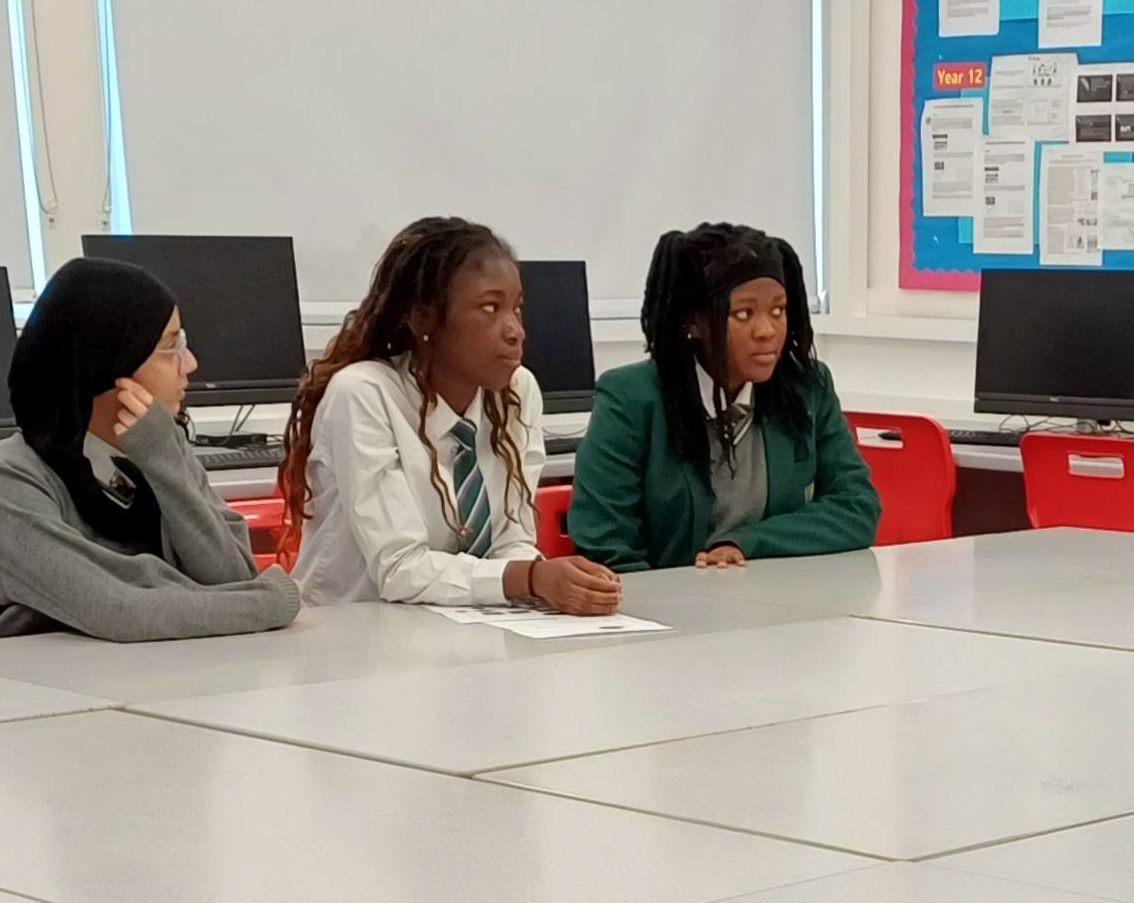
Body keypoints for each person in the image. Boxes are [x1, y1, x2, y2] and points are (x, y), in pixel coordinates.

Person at [282, 216, 622, 615]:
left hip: (459, 623)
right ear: (424, 317)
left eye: (517, 308)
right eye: (490, 308)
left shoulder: (516, 391)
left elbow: (512, 541)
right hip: (350, 628)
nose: (515, 330)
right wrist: (530, 578)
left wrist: (553, 581)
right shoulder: (364, 394)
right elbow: (400, 568)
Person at [0, 257, 301, 641]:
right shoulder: (8, 474)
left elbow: (233, 577)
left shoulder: (161, 447)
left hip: (157, 668)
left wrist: (165, 464)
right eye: (170, 347)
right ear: (109, 362)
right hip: (35, 676)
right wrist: (272, 601)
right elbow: (118, 609)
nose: (190, 363)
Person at [569, 222, 880, 572]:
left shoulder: (806, 388)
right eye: (743, 314)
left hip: (782, 596)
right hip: (669, 601)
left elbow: (857, 508)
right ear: (693, 322)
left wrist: (746, 543)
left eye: (778, 311)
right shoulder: (630, 399)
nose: (767, 331)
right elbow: (607, 548)